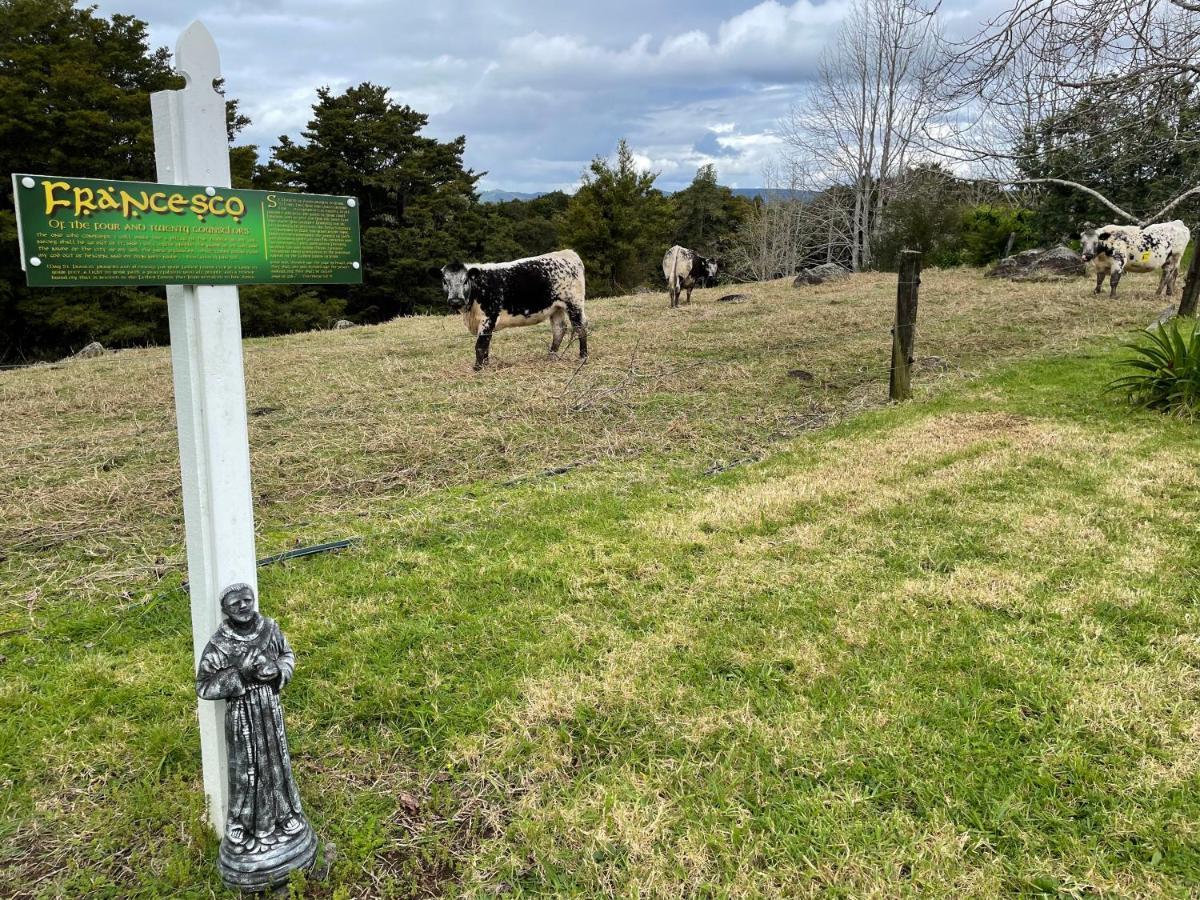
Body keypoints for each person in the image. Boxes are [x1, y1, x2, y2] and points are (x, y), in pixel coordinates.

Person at [196, 583, 307, 854]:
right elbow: (204, 685)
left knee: (276, 761)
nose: (243, 606)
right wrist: (240, 675)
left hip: (269, 707)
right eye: (235, 604)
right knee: (247, 767)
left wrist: (278, 670)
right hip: (242, 715)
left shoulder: (269, 629)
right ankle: (244, 822)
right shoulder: (219, 645)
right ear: (225, 610)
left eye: (247, 600)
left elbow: (287, 654)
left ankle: (284, 813)